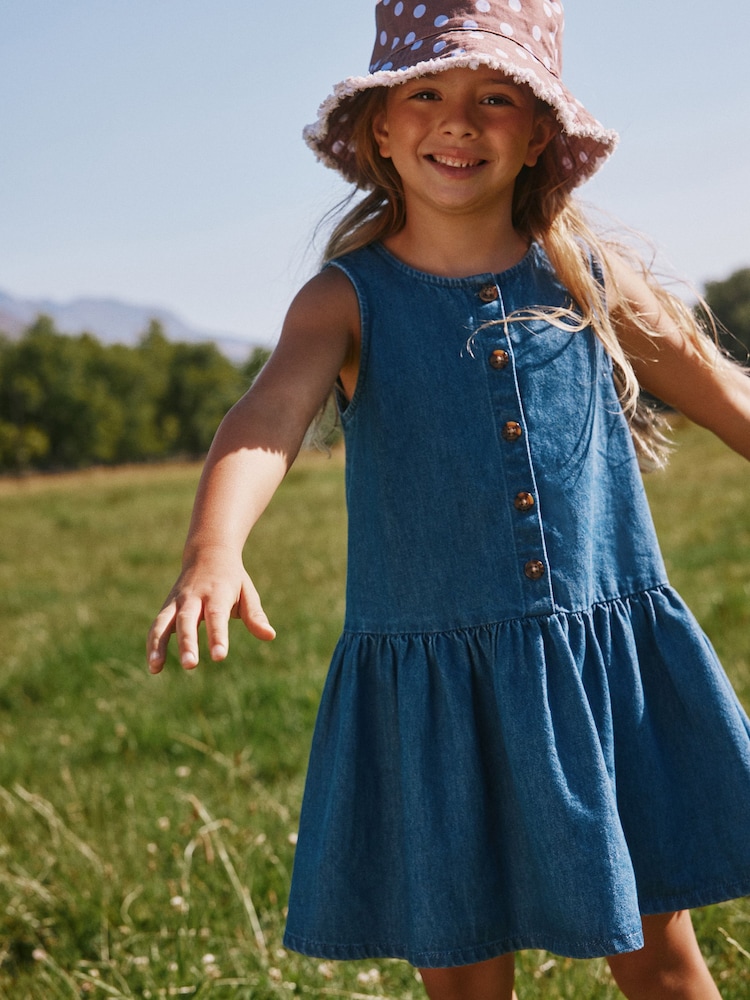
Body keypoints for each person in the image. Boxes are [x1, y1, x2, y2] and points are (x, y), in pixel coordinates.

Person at [147, 2, 750, 997]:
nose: (458, 120)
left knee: (662, 958)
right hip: (439, 699)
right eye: (426, 92)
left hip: (599, 682)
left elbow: (727, 394)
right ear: (382, 126)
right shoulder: (344, 299)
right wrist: (215, 547)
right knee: (465, 979)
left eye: (495, 97)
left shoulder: (589, 278)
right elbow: (270, 415)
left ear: (540, 134)